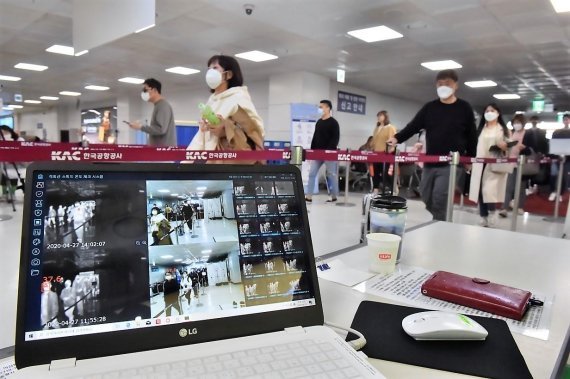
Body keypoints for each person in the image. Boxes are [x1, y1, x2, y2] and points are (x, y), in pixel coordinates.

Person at [387, 69, 477, 221]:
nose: (443, 87)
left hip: (452, 163)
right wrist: (397, 138)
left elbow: (472, 135)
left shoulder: (464, 108)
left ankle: (441, 226)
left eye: (447, 84)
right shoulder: (430, 108)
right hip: (431, 161)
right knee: (426, 194)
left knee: (440, 196)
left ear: (456, 86)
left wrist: (470, 159)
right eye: (440, 84)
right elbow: (414, 125)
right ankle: (440, 219)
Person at [187, 55, 264, 163]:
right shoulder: (212, 100)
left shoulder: (238, 97)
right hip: (210, 159)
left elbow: (256, 131)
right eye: (208, 69)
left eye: (215, 68)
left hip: (230, 163)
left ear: (229, 74)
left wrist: (226, 129)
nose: (210, 72)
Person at [468, 104, 511, 227]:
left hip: (494, 163)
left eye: (492, 110)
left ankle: (492, 213)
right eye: (487, 111)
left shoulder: (503, 129)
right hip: (480, 163)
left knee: (489, 190)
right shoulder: (481, 129)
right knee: (481, 191)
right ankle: (483, 215)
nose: (489, 113)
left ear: (498, 113)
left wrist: (505, 146)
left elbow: (510, 145)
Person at [305, 100, 340, 202]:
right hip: (317, 153)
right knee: (312, 173)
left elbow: (335, 138)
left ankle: (334, 195)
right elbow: (315, 137)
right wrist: (312, 151)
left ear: (328, 108)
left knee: (331, 174)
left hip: (329, 154)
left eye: (322, 107)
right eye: (319, 107)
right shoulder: (319, 122)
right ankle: (309, 196)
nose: (320, 109)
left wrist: (328, 150)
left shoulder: (334, 123)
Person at [128, 78, 177, 147]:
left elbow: (161, 129)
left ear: (154, 90)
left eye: (145, 90)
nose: (143, 93)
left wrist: (141, 127)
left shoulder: (163, 106)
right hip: (159, 151)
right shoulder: (158, 105)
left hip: (163, 153)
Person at [499, 114, 528, 217]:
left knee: (521, 187)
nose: (517, 124)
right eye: (515, 122)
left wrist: (525, 148)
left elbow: (530, 148)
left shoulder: (527, 134)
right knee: (509, 187)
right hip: (510, 162)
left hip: (522, 164)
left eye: (518, 122)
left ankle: (519, 206)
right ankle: (505, 208)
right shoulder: (511, 133)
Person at [370, 110, 397, 194]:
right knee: (376, 172)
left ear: (385, 117)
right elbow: (374, 140)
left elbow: (392, 141)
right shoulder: (377, 128)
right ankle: (375, 189)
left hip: (386, 153)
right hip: (376, 153)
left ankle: (394, 189)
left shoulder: (390, 127)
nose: (379, 117)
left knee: (386, 173)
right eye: (378, 116)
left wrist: (389, 151)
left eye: (381, 116)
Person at [524, 115, 549, 195]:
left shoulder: (542, 132)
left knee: (538, 170)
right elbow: (525, 143)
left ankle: (535, 184)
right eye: (533, 120)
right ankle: (529, 186)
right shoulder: (527, 132)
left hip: (539, 154)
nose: (534, 122)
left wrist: (544, 153)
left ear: (538, 121)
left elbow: (545, 143)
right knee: (529, 169)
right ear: (530, 121)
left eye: (535, 120)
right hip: (530, 153)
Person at [548, 113, 570, 202]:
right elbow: (553, 144)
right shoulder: (557, 132)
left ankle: (560, 193)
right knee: (554, 174)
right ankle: (553, 191)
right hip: (556, 157)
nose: (566, 121)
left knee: (564, 176)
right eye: (565, 119)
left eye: (567, 119)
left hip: (568, 159)